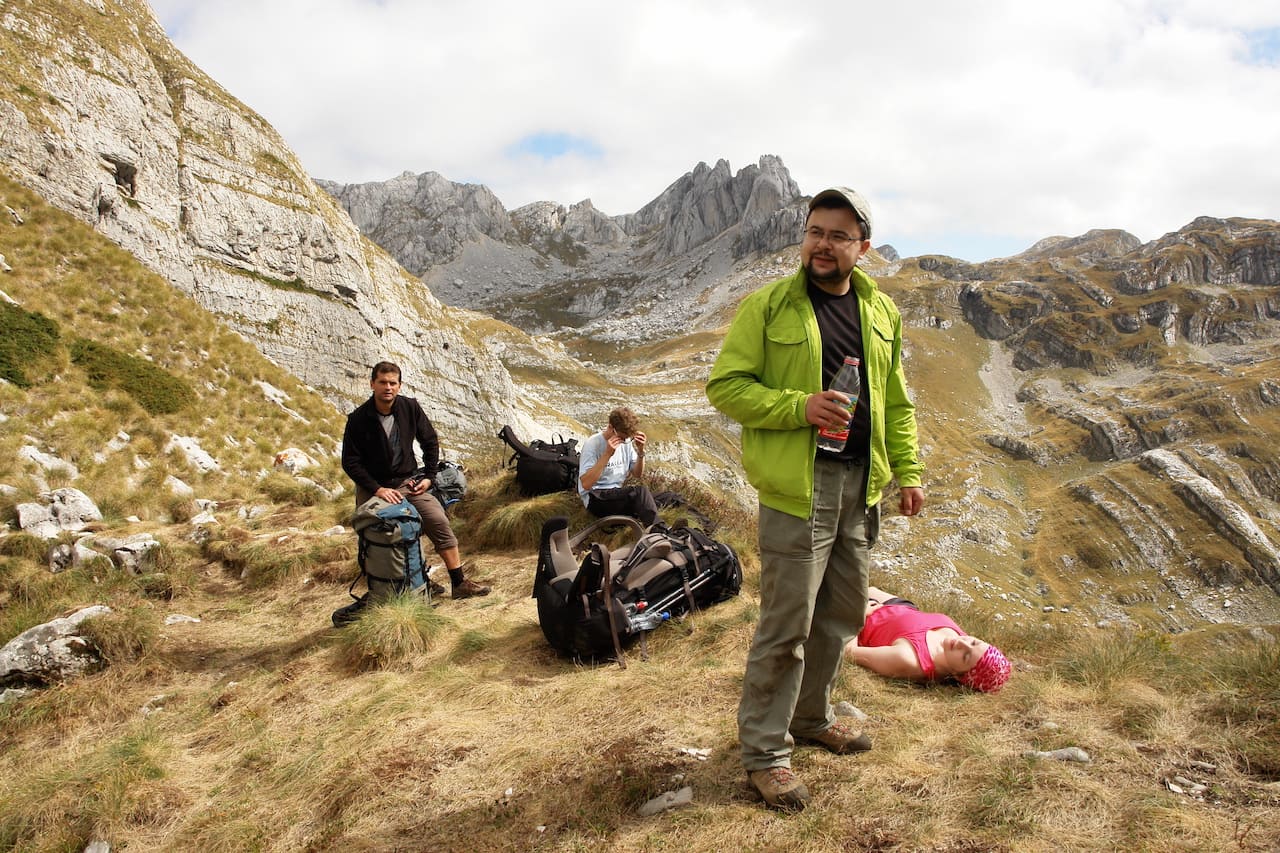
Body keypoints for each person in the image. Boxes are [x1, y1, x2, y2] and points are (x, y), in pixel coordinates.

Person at [705, 187, 925, 811]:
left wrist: (907, 471)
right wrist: (797, 407)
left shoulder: (881, 312)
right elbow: (726, 387)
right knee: (787, 624)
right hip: (798, 489)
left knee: (842, 614)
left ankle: (812, 715)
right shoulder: (769, 306)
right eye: (814, 232)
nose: (822, 245)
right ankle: (766, 754)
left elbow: (898, 402)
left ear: (863, 246)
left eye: (837, 235)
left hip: (861, 483)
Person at [341, 361, 490, 599]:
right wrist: (377, 489)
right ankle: (410, 583)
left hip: (407, 482)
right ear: (372, 384)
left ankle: (459, 583)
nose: (387, 388)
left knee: (437, 520)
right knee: (380, 534)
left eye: (392, 383)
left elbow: (429, 441)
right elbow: (350, 462)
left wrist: (429, 477)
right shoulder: (358, 419)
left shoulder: (410, 407)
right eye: (382, 382)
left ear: (399, 386)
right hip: (373, 487)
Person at [846, 587, 1011, 692]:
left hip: (861, 617)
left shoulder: (910, 660)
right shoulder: (958, 641)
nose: (962, 642)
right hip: (901, 607)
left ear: (959, 675)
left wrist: (856, 615)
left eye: (965, 656)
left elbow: (849, 652)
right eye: (974, 642)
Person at [577, 407, 659, 526]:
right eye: (621, 437)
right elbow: (586, 484)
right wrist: (607, 454)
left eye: (627, 439)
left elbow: (637, 474)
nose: (623, 441)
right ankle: (658, 530)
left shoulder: (625, 443)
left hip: (616, 494)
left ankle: (690, 530)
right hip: (596, 498)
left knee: (669, 497)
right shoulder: (593, 444)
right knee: (640, 493)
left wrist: (641, 451)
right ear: (610, 427)